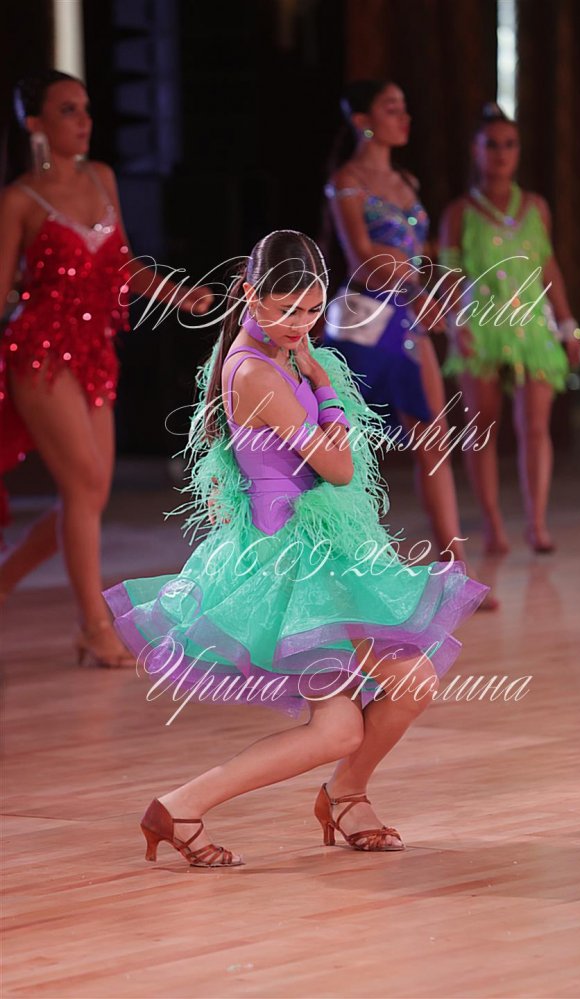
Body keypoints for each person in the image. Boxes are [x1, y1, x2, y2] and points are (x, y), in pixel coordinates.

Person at [103, 230, 489, 866]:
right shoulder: (258, 372)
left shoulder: (274, 355)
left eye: (312, 311)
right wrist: (323, 383)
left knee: (399, 690)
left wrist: (309, 368)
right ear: (251, 295)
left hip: (319, 553)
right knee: (347, 722)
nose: (299, 324)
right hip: (293, 564)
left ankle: (332, 796)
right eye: (285, 309)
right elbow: (337, 467)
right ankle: (189, 805)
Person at [0, 70, 212, 665]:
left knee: (90, 492)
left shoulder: (102, 178)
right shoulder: (19, 200)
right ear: (35, 124)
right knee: (83, 485)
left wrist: (179, 295)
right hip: (39, 350)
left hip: (94, 348)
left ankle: (5, 579)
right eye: (68, 110)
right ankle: (94, 626)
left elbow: (123, 265)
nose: (84, 120)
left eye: (86, 108)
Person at [321, 80, 496, 606]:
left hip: (407, 311)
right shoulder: (346, 182)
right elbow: (362, 258)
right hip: (362, 317)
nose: (405, 117)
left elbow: (415, 256)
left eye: (404, 107)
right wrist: (413, 284)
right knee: (344, 449)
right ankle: (338, 570)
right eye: (391, 108)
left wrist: (438, 286)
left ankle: (456, 570)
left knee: (434, 440)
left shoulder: (407, 181)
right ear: (362, 121)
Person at [438, 102, 580, 554]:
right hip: (482, 326)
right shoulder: (460, 212)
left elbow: (547, 267)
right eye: (492, 145)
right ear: (476, 150)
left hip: (531, 327)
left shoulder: (536, 207)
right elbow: (450, 277)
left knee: (536, 426)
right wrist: (455, 324)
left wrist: (567, 324)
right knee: (483, 428)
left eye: (509, 145)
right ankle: (492, 523)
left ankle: (537, 523)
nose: (501, 154)